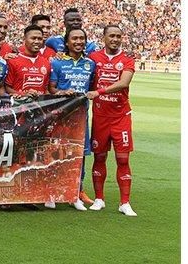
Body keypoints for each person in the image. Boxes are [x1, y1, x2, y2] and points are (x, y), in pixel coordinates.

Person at [85, 25, 137, 216]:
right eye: (111, 36)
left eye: (118, 36)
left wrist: (98, 92)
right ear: (104, 37)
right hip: (100, 117)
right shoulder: (94, 59)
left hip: (121, 117)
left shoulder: (127, 60)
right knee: (99, 157)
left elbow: (124, 83)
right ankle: (99, 199)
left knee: (122, 158)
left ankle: (125, 202)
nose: (115, 39)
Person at [48, 27, 96, 211]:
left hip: (81, 116)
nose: (78, 42)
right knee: (56, 152)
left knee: (80, 155)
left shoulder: (90, 64)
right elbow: (51, 88)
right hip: (61, 116)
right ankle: (51, 192)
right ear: (66, 42)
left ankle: (74, 193)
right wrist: (61, 92)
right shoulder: (57, 63)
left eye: (82, 39)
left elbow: (91, 86)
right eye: (74, 39)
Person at [4, 25, 52, 97]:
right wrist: (23, 95)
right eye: (33, 38)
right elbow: (7, 88)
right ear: (24, 39)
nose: (37, 41)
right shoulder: (13, 61)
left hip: (40, 106)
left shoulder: (46, 63)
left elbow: (46, 89)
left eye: (39, 39)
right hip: (19, 106)